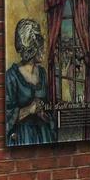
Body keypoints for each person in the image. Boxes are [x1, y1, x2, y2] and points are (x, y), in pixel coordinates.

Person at [5, 17, 56, 145]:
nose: (44, 49)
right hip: (22, 138)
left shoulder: (43, 73)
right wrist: (29, 110)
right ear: (31, 49)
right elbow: (6, 117)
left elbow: (50, 108)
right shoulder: (11, 76)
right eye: (41, 46)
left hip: (44, 136)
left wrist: (44, 114)